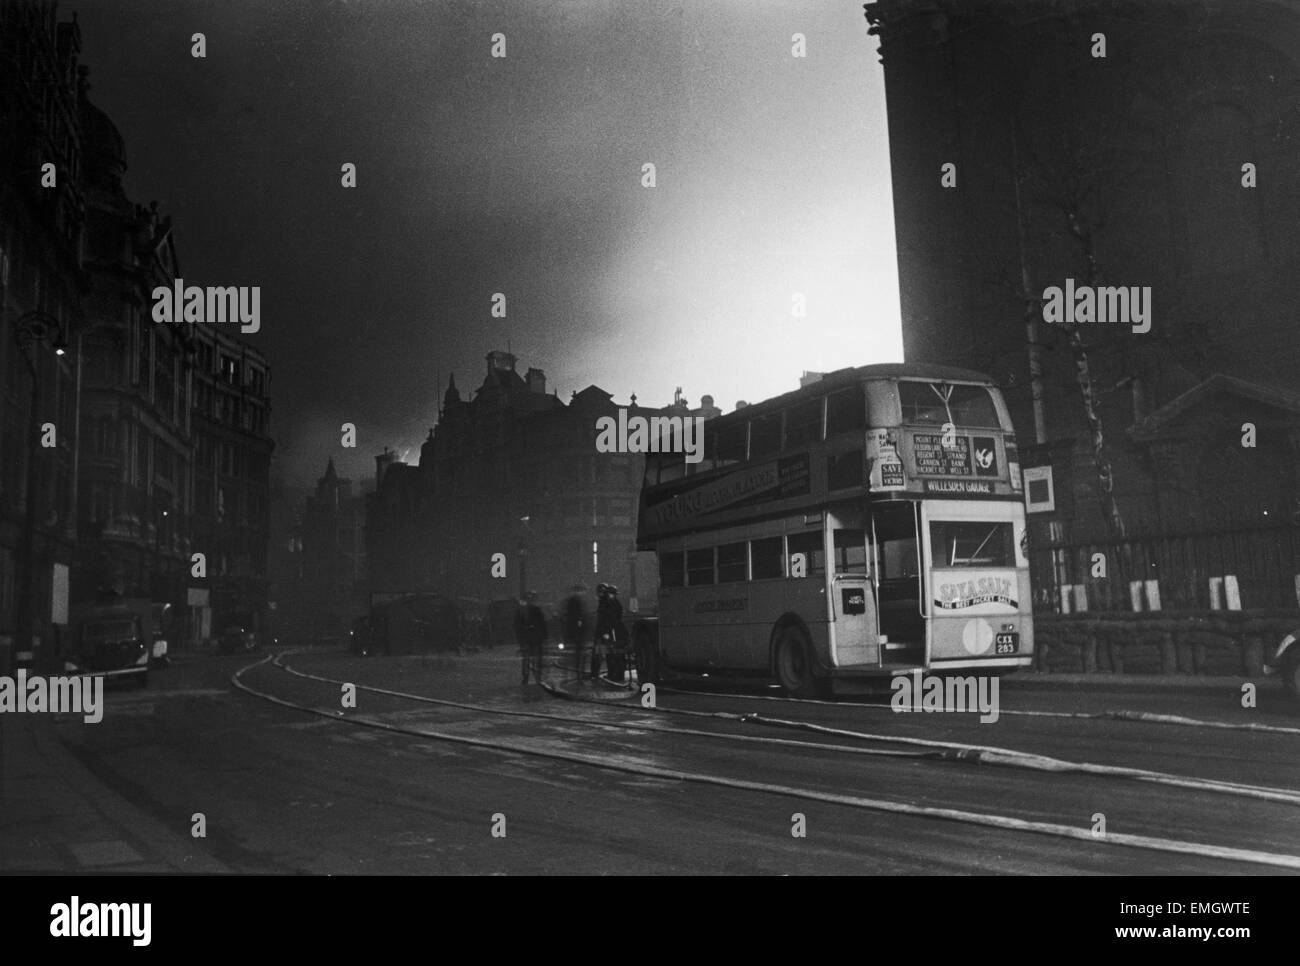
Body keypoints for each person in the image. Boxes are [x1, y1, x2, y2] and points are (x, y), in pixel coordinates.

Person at [513, 591, 548, 685]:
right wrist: (544, 637)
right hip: (536, 638)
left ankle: (526, 677)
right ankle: (537, 677)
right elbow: (542, 624)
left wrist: (520, 639)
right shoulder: (536, 610)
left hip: (526, 638)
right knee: (536, 659)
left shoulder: (520, 612)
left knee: (526, 659)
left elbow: (517, 627)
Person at [562, 584, 590, 683]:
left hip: (577, 632)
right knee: (579, 653)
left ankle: (578, 673)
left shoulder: (573, 601)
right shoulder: (577, 602)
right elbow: (578, 616)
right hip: (578, 632)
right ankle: (579, 673)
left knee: (577, 653)